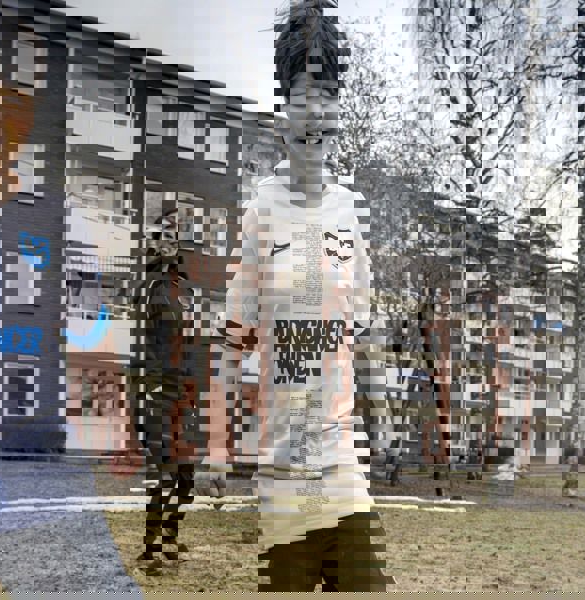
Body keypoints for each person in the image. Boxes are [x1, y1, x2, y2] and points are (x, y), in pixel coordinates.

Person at [199, 0, 393, 591]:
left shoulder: (349, 212)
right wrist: (216, 449)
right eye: (304, 96)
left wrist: (382, 422)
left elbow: (363, 334)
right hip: (282, 468)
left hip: (341, 463)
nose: (315, 112)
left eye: (327, 96)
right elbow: (231, 344)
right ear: (284, 108)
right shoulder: (262, 210)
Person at [131, 208, 200, 573]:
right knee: (164, 473)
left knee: (187, 478)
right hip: (157, 388)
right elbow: (138, 338)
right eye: (160, 236)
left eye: (173, 236)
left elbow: (192, 340)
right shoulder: (147, 286)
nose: (167, 242)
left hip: (184, 391)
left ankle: (171, 535)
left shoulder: (185, 290)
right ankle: (151, 547)